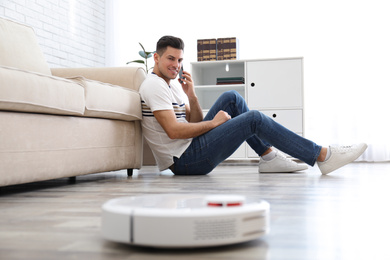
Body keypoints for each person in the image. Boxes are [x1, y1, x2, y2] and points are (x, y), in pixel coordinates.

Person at [139, 35, 367, 175]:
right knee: (254, 118)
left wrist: (193, 97)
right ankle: (322, 155)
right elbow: (174, 131)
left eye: (179, 60)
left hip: (190, 148)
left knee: (232, 97)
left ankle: (268, 157)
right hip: (185, 162)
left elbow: (193, 122)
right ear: (157, 58)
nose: (176, 65)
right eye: (170, 59)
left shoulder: (171, 84)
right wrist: (214, 123)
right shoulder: (154, 85)